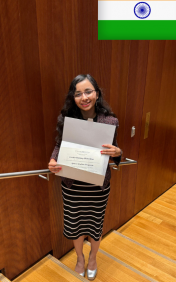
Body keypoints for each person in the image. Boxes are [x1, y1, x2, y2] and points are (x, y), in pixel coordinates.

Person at [48, 74, 122, 280]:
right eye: (78, 93)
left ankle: (92, 259)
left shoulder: (110, 120)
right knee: (75, 224)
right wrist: (54, 160)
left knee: (95, 225)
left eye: (88, 91)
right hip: (73, 185)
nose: (84, 97)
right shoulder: (66, 119)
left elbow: (113, 149)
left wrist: (118, 153)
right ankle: (80, 258)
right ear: (73, 97)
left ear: (97, 94)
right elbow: (58, 144)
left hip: (97, 187)